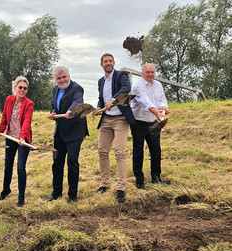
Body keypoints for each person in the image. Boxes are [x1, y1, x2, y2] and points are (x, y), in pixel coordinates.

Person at [93, 53, 136, 203]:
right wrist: (98, 108)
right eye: (105, 61)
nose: (108, 63)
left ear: (114, 62)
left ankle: (121, 188)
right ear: (101, 64)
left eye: (110, 61)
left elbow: (126, 88)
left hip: (121, 119)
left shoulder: (120, 75)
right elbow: (101, 99)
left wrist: (114, 99)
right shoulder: (100, 81)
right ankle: (105, 184)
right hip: (106, 120)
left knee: (119, 152)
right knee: (102, 151)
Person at [46, 66, 88, 203]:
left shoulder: (77, 88)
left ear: (69, 76)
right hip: (60, 131)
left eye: (64, 77)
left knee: (72, 162)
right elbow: (54, 105)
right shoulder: (55, 89)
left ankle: (72, 196)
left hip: (75, 132)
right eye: (59, 78)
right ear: (55, 80)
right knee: (57, 162)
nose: (62, 80)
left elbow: (78, 101)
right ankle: (56, 193)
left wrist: (71, 110)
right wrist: (53, 112)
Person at [0, 76, 34, 207]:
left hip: (23, 140)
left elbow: (27, 122)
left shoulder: (29, 104)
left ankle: (21, 197)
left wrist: (22, 137)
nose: (22, 90)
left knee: (20, 167)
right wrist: (0, 130)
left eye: (25, 88)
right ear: (15, 88)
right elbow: (5, 116)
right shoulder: (9, 99)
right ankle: (6, 190)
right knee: (8, 165)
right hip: (10, 138)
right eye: (20, 87)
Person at [131, 63, 170, 189]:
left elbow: (162, 99)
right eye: (147, 72)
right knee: (138, 151)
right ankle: (139, 181)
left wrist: (164, 107)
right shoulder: (138, 87)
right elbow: (145, 102)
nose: (150, 74)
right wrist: (158, 113)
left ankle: (156, 178)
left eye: (152, 72)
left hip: (153, 122)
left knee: (156, 150)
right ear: (142, 74)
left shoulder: (158, 85)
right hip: (139, 122)